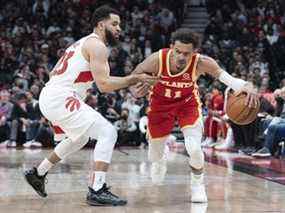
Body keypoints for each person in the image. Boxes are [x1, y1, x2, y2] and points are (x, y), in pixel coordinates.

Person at [24, 5, 157, 206]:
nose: (119, 28)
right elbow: (103, 85)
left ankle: (38, 173)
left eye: (119, 24)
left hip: (52, 95)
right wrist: (134, 78)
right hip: (60, 97)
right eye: (115, 24)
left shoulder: (80, 43)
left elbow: (53, 74)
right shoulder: (97, 46)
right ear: (101, 24)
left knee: (80, 138)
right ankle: (97, 189)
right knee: (108, 132)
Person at [130, 28, 259, 203]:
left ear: (194, 52)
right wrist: (136, 90)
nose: (182, 57)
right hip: (160, 105)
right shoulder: (157, 59)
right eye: (178, 52)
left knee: (195, 149)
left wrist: (248, 85)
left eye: (186, 53)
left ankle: (197, 184)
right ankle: (160, 160)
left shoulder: (202, 62)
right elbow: (133, 79)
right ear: (171, 48)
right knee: (153, 155)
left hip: (187, 104)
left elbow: (228, 79)